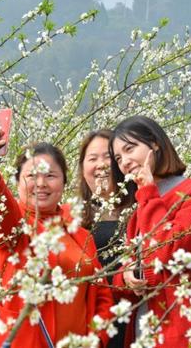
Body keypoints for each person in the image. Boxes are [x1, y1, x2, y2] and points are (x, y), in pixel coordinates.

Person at [0, 126, 114, 348]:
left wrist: (97, 338)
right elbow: (0, 206)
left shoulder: (80, 233)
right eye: (31, 176)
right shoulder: (14, 227)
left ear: (64, 182)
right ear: (17, 182)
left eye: (50, 175)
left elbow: (102, 295)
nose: (41, 184)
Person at [109, 116, 191, 347]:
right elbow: (133, 273)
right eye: (118, 158)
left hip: (186, 330)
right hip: (144, 330)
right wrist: (127, 277)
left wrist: (148, 192)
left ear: (155, 144)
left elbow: (167, 252)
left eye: (130, 149)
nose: (125, 162)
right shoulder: (138, 208)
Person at [77, 129, 127, 348]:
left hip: (134, 316)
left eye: (108, 157)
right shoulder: (71, 217)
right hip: (89, 325)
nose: (101, 165)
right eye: (92, 159)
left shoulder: (142, 209)